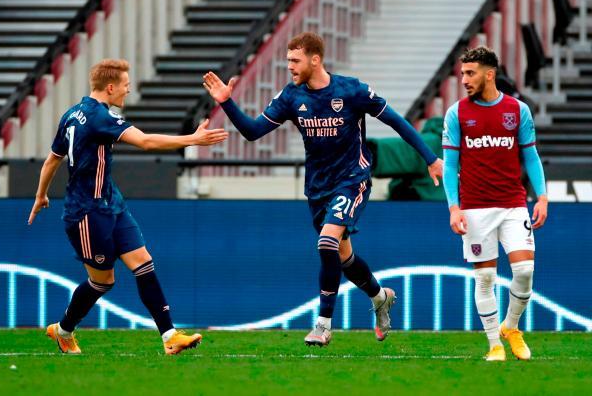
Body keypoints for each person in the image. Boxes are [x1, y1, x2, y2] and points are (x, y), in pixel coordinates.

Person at [203, 32, 443, 346]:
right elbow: (252, 132)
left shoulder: (351, 90)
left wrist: (430, 158)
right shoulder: (291, 97)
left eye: (295, 60)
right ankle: (380, 297)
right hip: (318, 187)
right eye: (288, 60)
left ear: (315, 60)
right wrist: (226, 102)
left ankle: (323, 325)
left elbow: (396, 121)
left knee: (327, 241)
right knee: (343, 256)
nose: (290, 66)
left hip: (352, 179)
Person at [28, 59, 228, 355]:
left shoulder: (72, 114)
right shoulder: (98, 117)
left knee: (143, 262)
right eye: (125, 85)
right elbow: (145, 142)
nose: (128, 90)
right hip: (86, 212)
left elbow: (52, 159)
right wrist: (193, 140)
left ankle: (170, 336)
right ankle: (63, 330)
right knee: (102, 281)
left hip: (112, 203)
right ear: (110, 87)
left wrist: (41, 195)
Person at [442, 46, 548, 361]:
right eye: (462, 73)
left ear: (490, 74)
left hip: (513, 204)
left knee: (524, 270)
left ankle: (511, 327)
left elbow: (531, 156)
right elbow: (450, 165)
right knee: (486, 278)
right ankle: (494, 345)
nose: (464, 80)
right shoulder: (457, 113)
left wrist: (542, 196)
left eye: (470, 73)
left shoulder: (518, 110)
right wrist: (453, 207)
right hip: (475, 208)